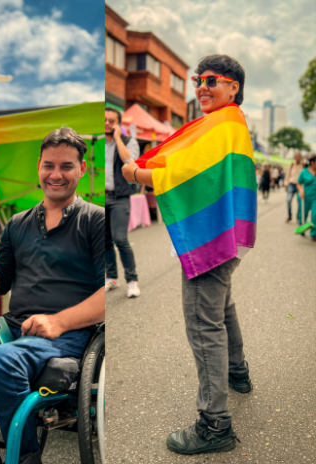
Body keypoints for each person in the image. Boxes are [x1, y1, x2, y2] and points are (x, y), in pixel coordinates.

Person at [0, 127, 105, 464]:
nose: (56, 175)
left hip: (70, 336)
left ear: (82, 169)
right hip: (15, 330)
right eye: (49, 165)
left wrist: (57, 321)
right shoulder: (17, 223)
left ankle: (26, 460)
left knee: (2, 360)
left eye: (67, 166)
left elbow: (107, 293)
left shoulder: (96, 220)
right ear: (38, 166)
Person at [122, 55, 253, 455]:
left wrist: (137, 173)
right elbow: (187, 160)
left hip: (213, 236)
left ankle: (215, 425)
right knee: (221, 306)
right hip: (226, 233)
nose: (201, 86)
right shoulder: (227, 122)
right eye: (199, 79)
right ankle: (238, 372)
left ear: (234, 87)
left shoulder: (224, 122)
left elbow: (188, 172)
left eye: (212, 80)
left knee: (203, 322)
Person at [104, 107, 141, 297]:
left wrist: (118, 138)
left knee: (121, 239)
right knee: (105, 240)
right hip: (101, 197)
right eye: (105, 120)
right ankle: (111, 277)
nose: (107, 124)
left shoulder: (129, 141)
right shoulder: (97, 143)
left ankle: (132, 281)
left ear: (118, 124)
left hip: (120, 198)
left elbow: (128, 160)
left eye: (111, 120)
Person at [296, 155, 316, 241]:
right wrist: (301, 191)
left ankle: (313, 233)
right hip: (305, 196)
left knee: (315, 215)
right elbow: (298, 183)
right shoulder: (304, 172)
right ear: (312, 162)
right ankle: (302, 227)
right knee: (303, 215)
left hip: (315, 197)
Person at [285, 152, 304, 223]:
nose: (298, 158)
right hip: (291, 184)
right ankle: (289, 216)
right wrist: (286, 184)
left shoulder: (303, 166)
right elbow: (287, 176)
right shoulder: (291, 165)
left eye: (299, 156)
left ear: (301, 158)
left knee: (300, 201)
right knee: (288, 200)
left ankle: (298, 216)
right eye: (297, 156)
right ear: (294, 158)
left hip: (299, 185)